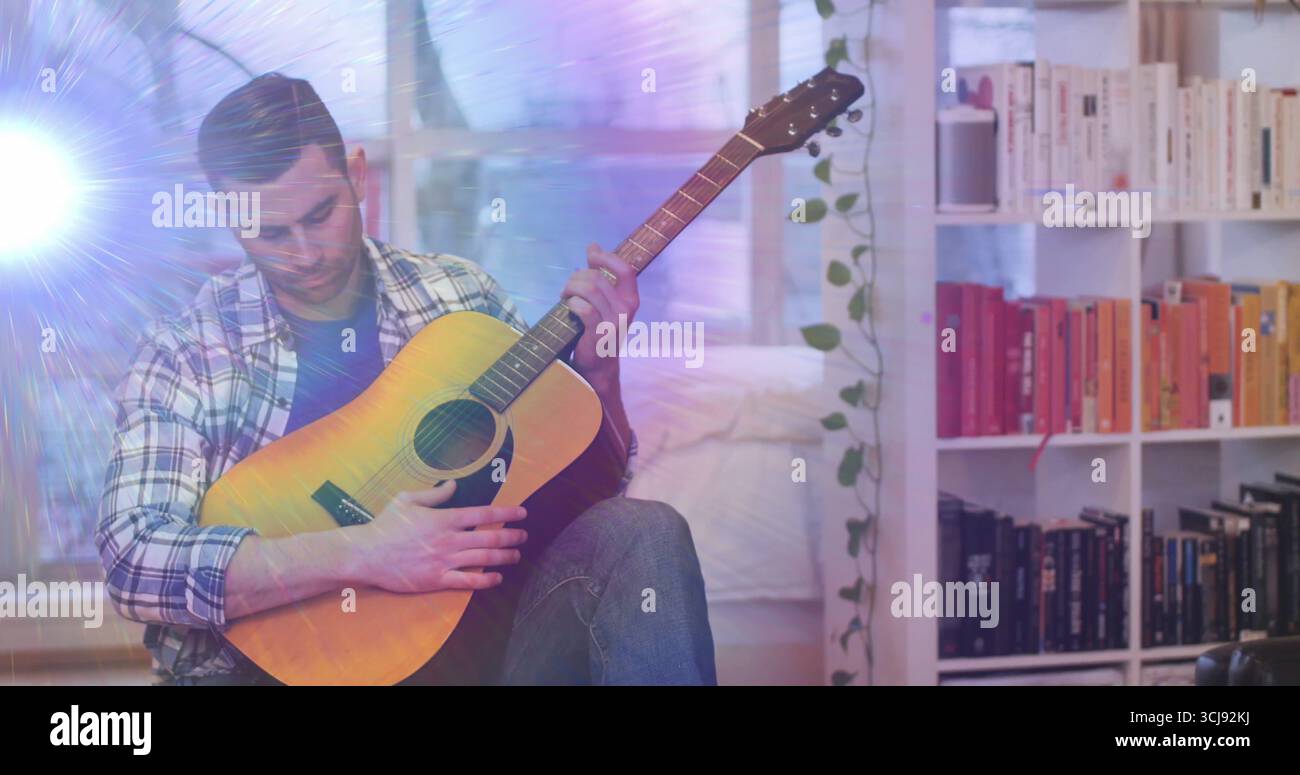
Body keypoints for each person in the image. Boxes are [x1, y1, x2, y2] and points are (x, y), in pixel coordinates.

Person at [96, 73, 716, 685]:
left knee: (644, 531)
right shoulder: (186, 353)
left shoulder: (460, 300)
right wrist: (366, 551)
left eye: (321, 214)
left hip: (485, 649)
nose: (305, 253)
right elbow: (133, 559)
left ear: (358, 177)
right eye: (270, 233)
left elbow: (587, 489)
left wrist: (600, 371)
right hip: (277, 671)